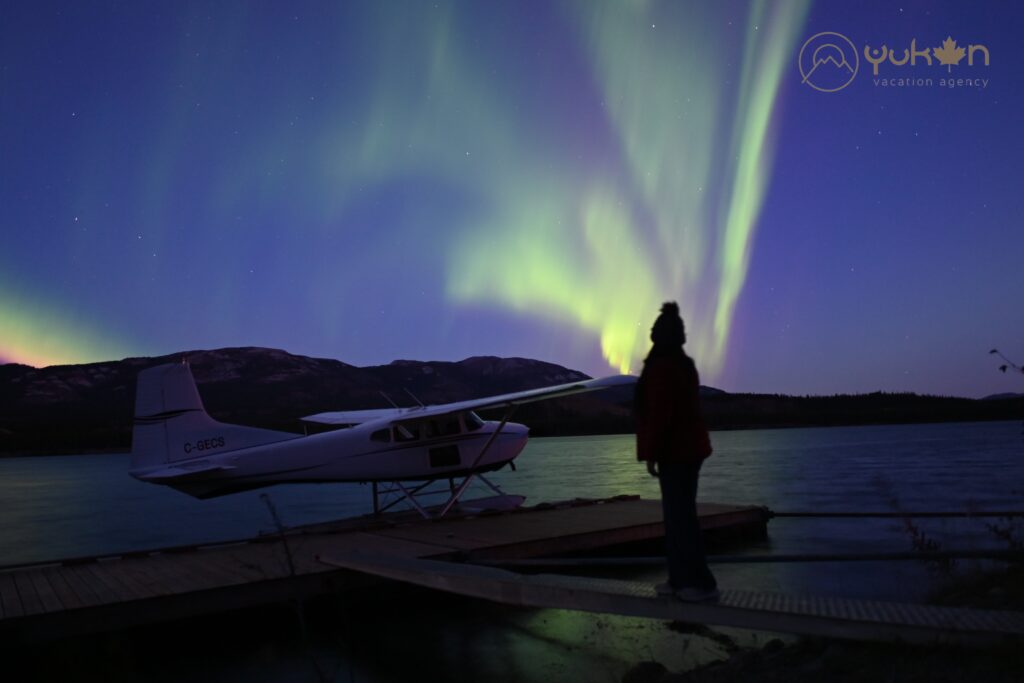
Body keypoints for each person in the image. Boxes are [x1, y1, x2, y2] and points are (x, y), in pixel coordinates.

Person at [635, 302, 718, 602]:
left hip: (677, 452)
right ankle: (680, 579)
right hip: (688, 449)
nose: (652, 333)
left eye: (655, 330)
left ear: (660, 335)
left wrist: (652, 453)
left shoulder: (661, 367)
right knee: (679, 516)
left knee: (680, 518)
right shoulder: (683, 365)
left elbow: (660, 414)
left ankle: (700, 584)